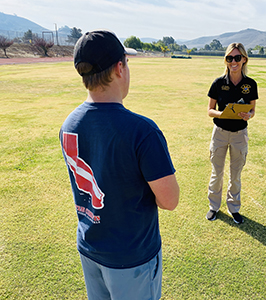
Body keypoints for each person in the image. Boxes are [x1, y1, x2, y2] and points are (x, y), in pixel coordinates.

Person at [59, 30, 179, 300]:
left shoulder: (69, 124)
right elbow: (170, 200)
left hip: (90, 247)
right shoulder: (142, 131)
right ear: (119, 68)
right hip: (131, 257)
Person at [206, 42, 258, 224]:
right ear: (226, 60)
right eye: (230, 58)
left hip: (239, 134)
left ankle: (234, 208)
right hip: (220, 132)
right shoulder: (218, 83)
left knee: (235, 174)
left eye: (237, 58)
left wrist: (248, 115)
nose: (233, 62)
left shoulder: (250, 84)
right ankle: (214, 206)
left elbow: (253, 111)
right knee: (217, 172)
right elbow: (210, 110)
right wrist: (224, 113)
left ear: (244, 59)